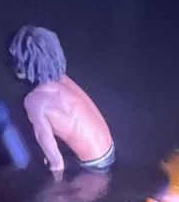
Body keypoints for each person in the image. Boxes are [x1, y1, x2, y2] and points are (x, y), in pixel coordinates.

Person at [9, 26, 115, 176]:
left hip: (94, 164)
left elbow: (57, 163)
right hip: (109, 147)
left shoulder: (35, 101)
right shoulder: (63, 78)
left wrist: (57, 183)